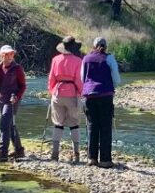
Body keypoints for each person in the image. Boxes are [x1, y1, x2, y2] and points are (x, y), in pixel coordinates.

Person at [80, 37, 121, 168]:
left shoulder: (86, 58)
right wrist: (109, 86)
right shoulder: (109, 58)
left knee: (92, 126)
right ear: (105, 46)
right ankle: (105, 160)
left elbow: (82, 78)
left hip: (89, 96)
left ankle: (92, 158)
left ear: (93, 46)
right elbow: (116, 79)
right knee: (105, 127)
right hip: (105, 95)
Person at [0, 44, 27, 162]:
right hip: (1, 99)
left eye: (11, 54)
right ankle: (19, 150)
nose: (9, 57)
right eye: (6, 54)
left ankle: (2, 153)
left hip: (12, 100)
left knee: (4, 125)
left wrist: (17, 97)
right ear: (1, 56)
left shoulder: (17, 68)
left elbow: (23, 86)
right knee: (10, 125)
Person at [47, 35, 84, 163]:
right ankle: (76, 154)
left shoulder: (55, 59)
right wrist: (81, 92)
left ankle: (55, 153)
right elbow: (79, 80)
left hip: (58, 93)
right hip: (72, 94)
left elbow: (51, 78)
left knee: (58, 123)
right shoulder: (78, 61)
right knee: (74, 123)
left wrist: (52, 91)